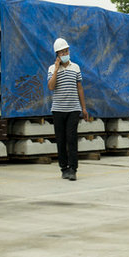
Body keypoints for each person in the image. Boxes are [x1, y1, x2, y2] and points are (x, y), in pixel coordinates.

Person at [47, 37, 88, 181]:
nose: (65, 54)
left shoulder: (75, 67)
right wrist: (56, 69)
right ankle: (63, 168)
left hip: (73, 109)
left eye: (66, 51)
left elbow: (80, 88)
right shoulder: (51, 69)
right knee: (61, 140)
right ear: (57, 55)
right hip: (58, 110)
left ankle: (73, 169)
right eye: (62, 52)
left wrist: (83, 108)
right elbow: (51, 87)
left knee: (71, 139)